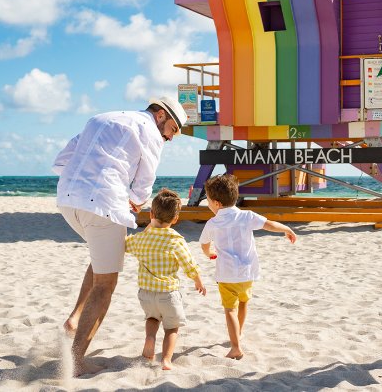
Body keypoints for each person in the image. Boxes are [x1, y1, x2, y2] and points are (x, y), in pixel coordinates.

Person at [52, 97, 187, 376]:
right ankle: (76, 361)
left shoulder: (100, 117)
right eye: (173, 129)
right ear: (160, 115)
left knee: (105, 259)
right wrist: (136, 201)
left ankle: (75, 318)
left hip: (67, 200)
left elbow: (62, 160)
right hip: (102, 205)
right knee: (106, 284)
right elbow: (144, 181)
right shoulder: (150, 132)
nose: (170, 137)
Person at [198, 174, 297, 360]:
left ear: (217, 203)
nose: (208, 204)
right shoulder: (247, 216)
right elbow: (269, 225)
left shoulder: (212, 223)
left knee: (229, 310)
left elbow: (203, 243)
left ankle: (235, 347)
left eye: (208, 201)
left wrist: (208, 253)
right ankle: (239, 333)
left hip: (226, 275)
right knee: (243, 302)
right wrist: (287, 229)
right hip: (247, 273)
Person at [124, 188, 207, 370]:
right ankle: (166, 360)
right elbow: (189, 264)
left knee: (152, 319)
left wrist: (147, 228)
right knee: (172, 328)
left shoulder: (141, 239)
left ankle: (149, 339)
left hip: (145, 294)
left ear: (151, 213)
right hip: (168, 294)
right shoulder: (175, 240)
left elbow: (125, 245)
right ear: (175, 219)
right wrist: (198, 280)